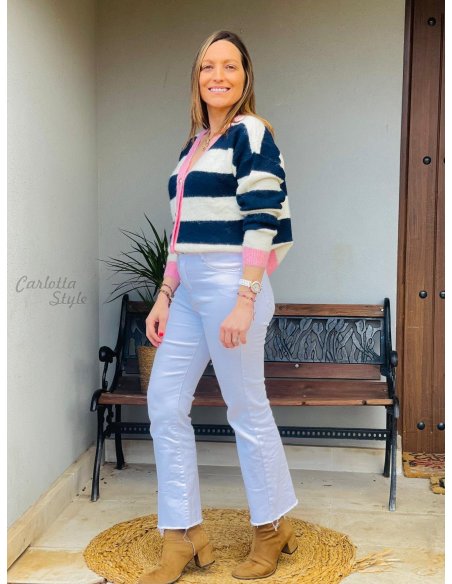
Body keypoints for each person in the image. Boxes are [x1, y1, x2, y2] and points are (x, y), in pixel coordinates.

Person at [139, 30, 298, 584]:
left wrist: (245, 299)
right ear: (197, 78)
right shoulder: (194, 145)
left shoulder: (251, 132)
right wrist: (165, 295)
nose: (218, 76)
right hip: (188, 287)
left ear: (245, 76)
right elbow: (180, 232)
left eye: (230, 66)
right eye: (208, 66)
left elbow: (263, 216)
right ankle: (182, 533)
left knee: (245, 408)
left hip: (235, 281)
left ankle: (271, 527)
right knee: (164, 404)